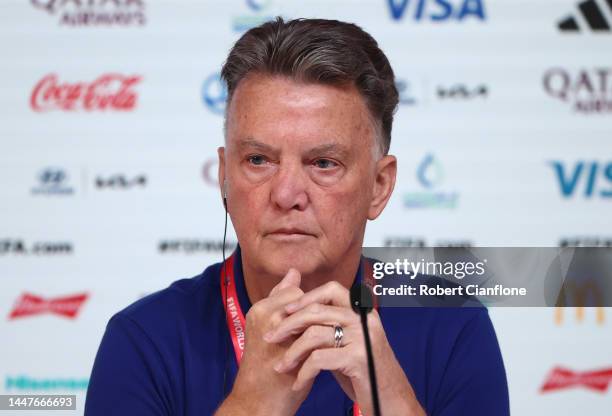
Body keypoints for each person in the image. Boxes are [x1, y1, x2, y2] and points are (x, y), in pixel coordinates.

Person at [85, 17, 509, 416]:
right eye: (258, 159)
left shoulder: (454, 328)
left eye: (323, 163)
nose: (287, 195)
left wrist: (393, 401)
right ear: (225, 178)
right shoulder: (143, 341)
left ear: (379, 187)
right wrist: (250, 406)